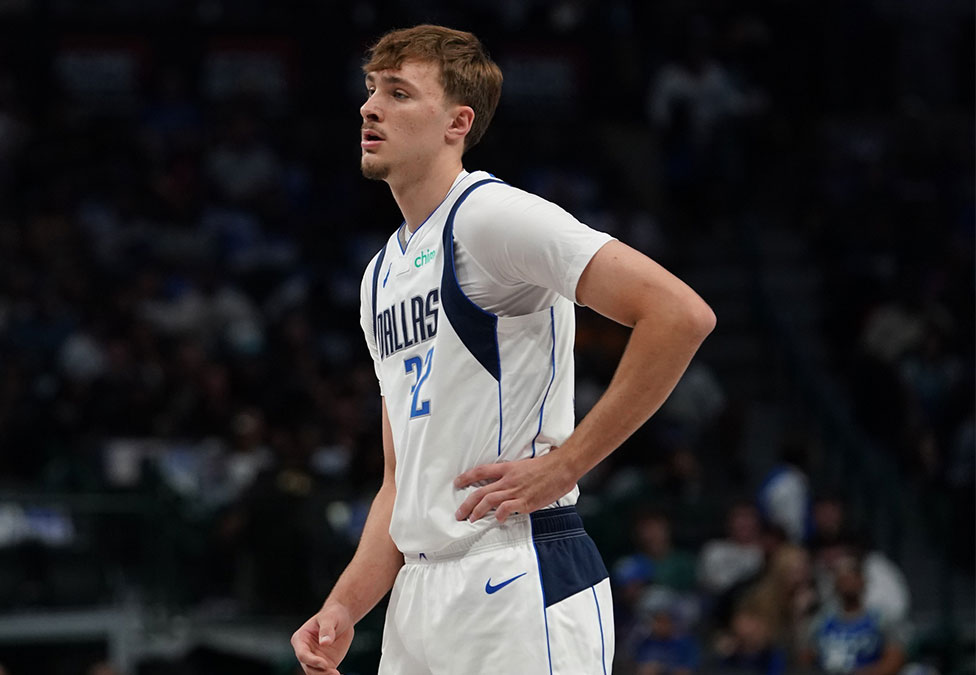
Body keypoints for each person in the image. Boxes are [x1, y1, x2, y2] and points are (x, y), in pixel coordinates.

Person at [290, 25, 715, 675]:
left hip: (514, 568)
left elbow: (680, 313)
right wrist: (345, 606)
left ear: (457, 122)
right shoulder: (379, 275)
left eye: (399, 93)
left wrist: (568, 462)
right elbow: (402, 480)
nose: (369, 107)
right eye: (372, 89)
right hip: (418, 597)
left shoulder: (491, 217)